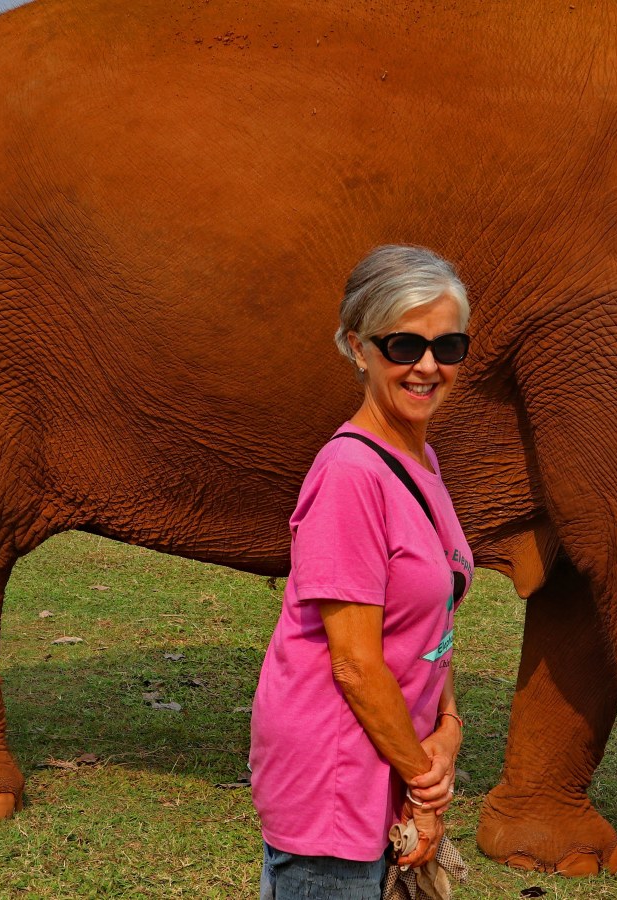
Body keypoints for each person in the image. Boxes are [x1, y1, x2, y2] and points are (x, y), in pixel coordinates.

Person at [250, 244, 474, 899]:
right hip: (336, 775)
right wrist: (425, 782)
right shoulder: (350, 476)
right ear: (358, 347)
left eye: (448, 346)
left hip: (390, 758)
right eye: (403, 346)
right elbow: (354, 662)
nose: (428, 366)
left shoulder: (422, 461)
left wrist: (449, 730)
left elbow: (435, 617)